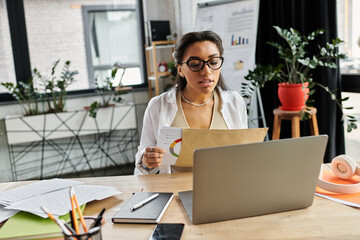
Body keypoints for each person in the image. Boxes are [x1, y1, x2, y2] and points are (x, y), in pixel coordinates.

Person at [134, 30, 248, 175]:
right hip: (177, 192)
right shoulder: (158, 106)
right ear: (180, 69)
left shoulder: (235, 102)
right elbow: (143, 157)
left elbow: (244, 153)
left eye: (213, 62)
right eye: (195, 64)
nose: (206, 71)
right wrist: (147, 159)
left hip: (225, 189)